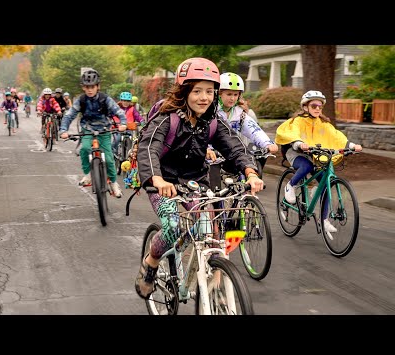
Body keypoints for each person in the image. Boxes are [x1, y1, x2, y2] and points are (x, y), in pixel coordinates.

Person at [133, 57, 264, 299]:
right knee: (172, 226)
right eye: (197, 91)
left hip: (196, 181)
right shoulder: (167, 117)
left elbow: (235, 147)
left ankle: (212, 277)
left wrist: (250, 171)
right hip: (163, 182)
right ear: (184, 91)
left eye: (210, 91)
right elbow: (148, 147)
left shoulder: (212, 120)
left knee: (209, 228)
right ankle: (151, 262)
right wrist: (157, 179)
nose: (204, 97)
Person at [275, 90, 363, 235]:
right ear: (305, 107)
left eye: (320, 106)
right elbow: (291, 132)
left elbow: (337, 136)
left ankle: (324, 220)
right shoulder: (297, 121)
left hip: (314, 154)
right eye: (314, 105)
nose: (317, 109)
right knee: (306, 166)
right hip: (296, 152)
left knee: (327, 184)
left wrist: (352, 146)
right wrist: (298, 143)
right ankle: (290, 186)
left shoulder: (324, 123)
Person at [59, 68, 127, 198]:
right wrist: (63, 130)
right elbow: (69, 115)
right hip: (88, 131)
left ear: (98, 86)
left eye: (93, 86)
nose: (90, 89)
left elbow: (118, 111)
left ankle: (113, 183)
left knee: (108, 159)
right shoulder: (81, 100)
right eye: (87, 87)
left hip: (105, 131)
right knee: (84, 149)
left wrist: (123, 124)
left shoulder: (105, 99)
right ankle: (88, 174)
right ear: (83, 87)